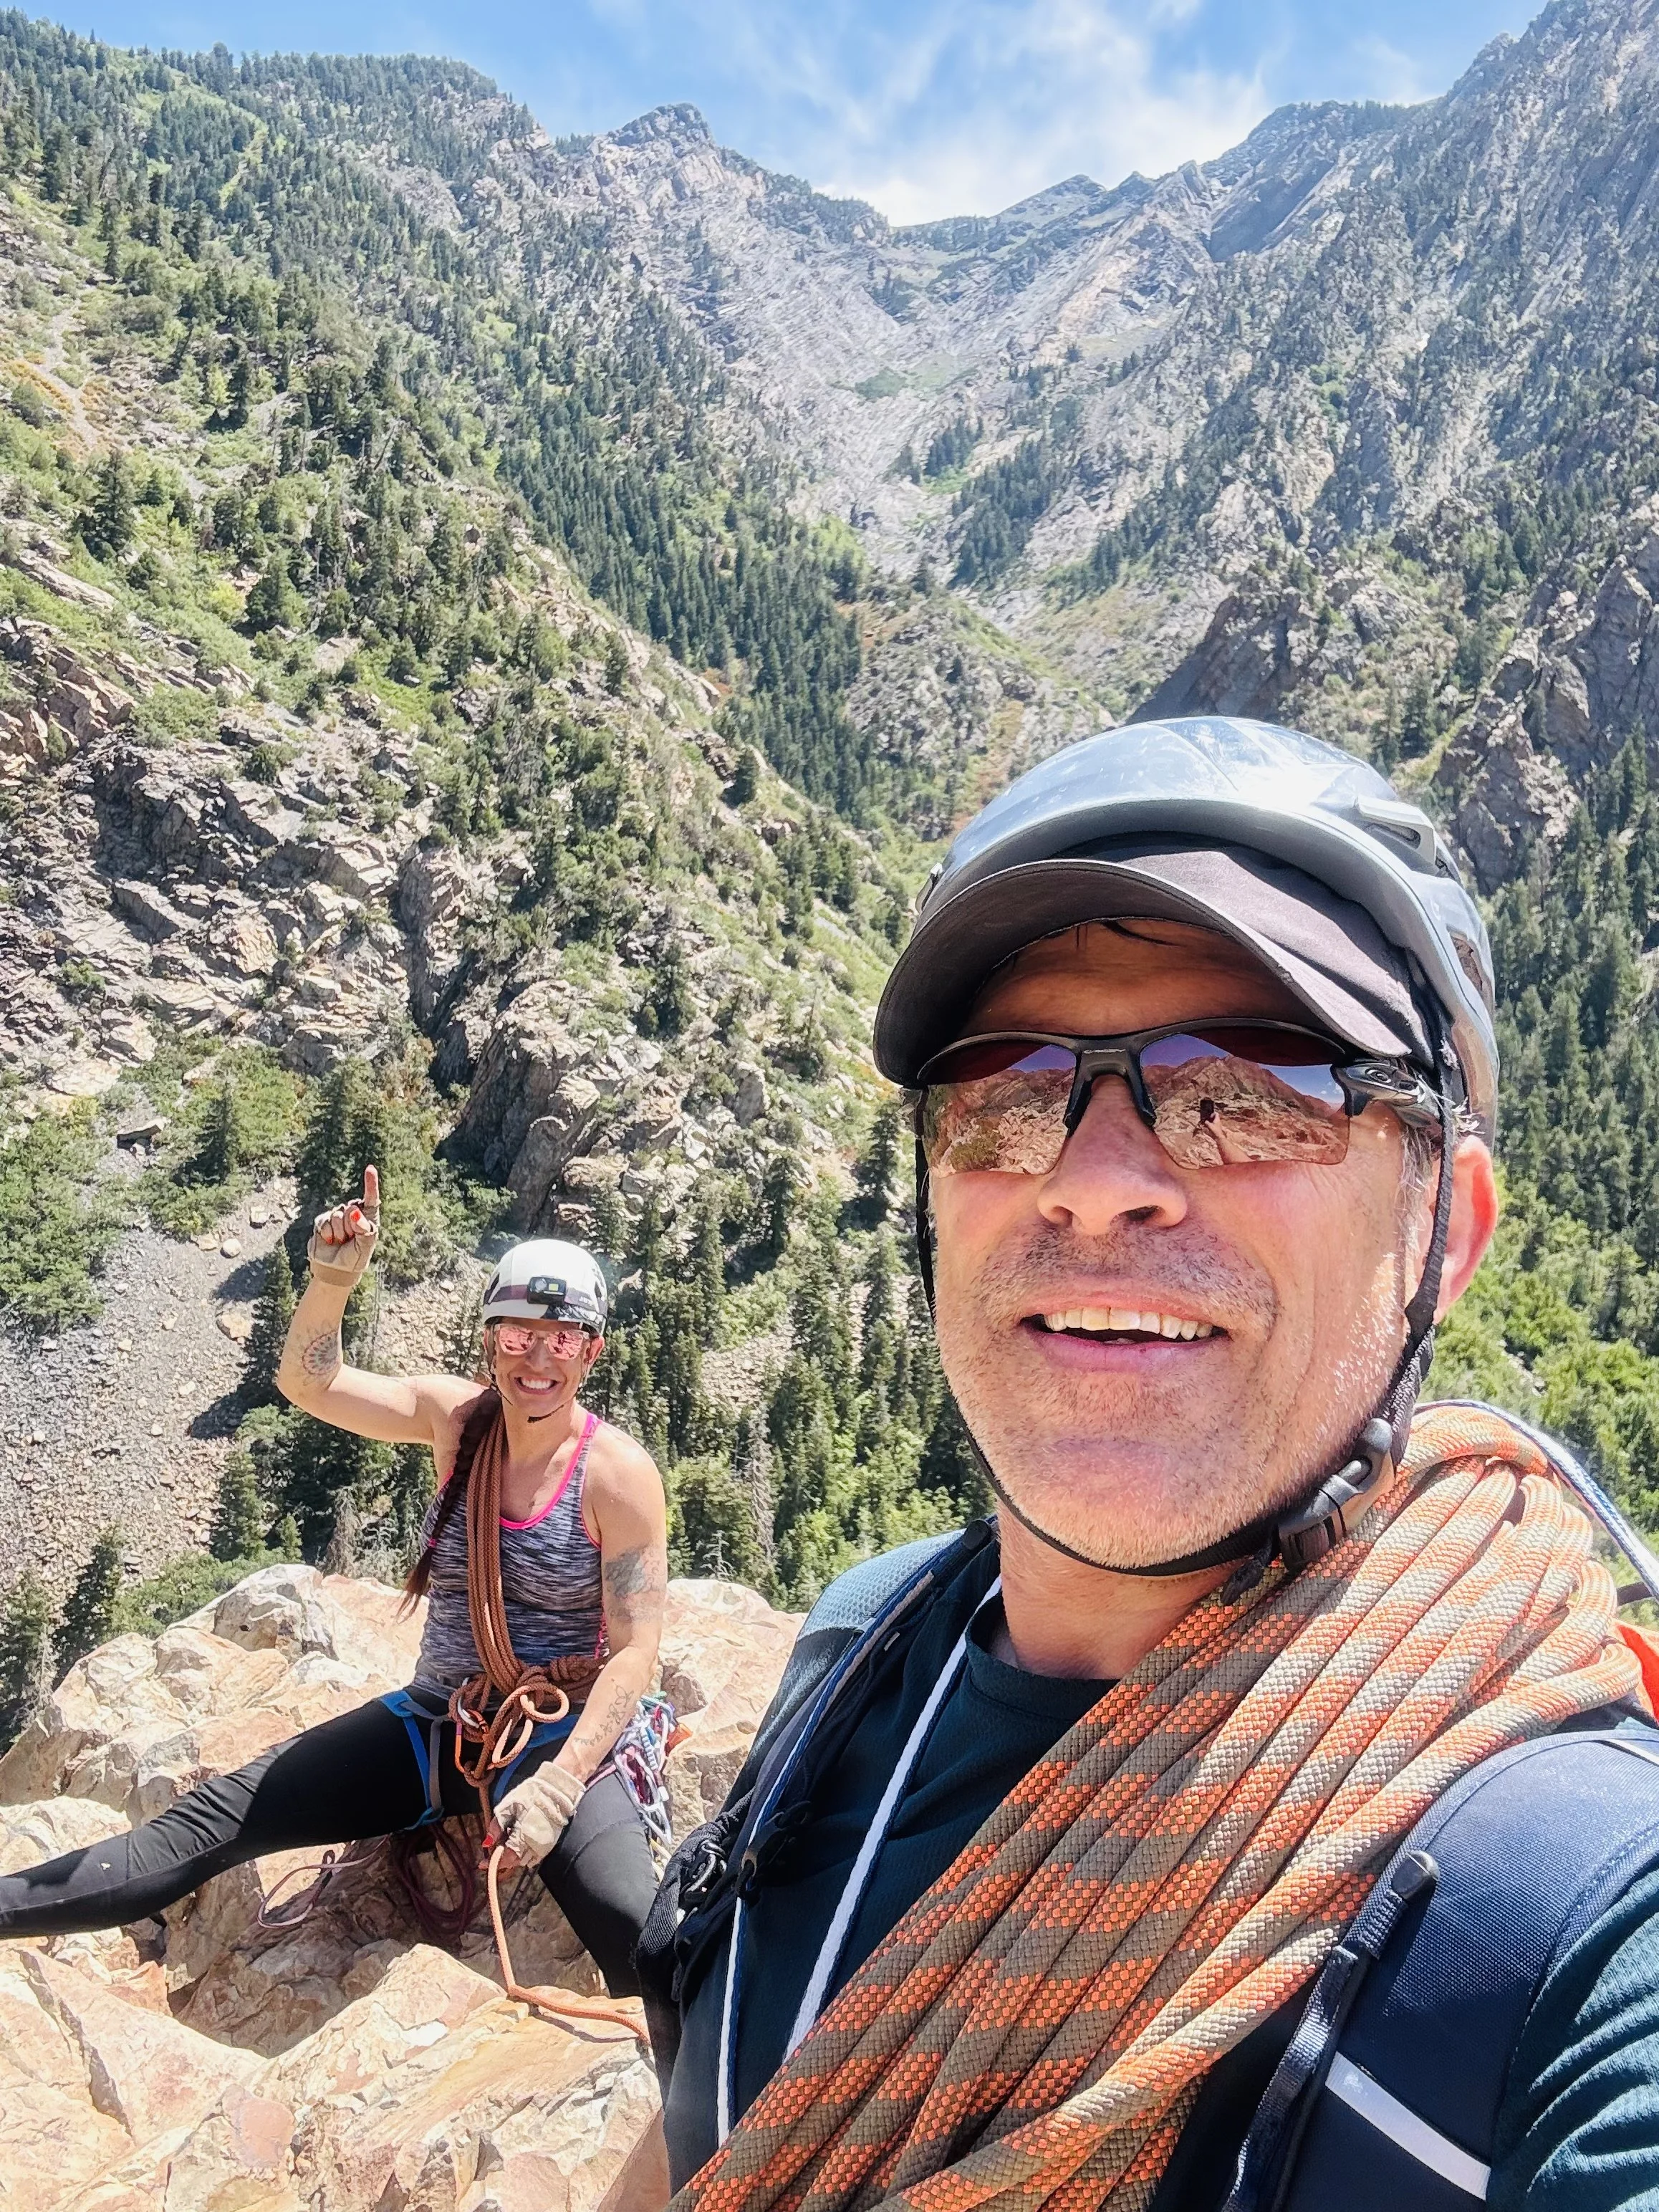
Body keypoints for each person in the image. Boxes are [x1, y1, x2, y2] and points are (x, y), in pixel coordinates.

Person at [638, 718, 1659, 2212]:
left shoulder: (1583, 1913)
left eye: (1248, 1087)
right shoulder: (862, 1648)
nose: (1096, 1178)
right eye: (1002, 1092)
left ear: (1446, 1229)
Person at [0, 1189, 668, 1998]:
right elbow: (310, 1382)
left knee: (635, 1931)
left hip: (553, 1739)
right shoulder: (456, 1421)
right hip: (439, 1720)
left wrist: (563, 1783)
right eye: (518, 1335)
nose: (538, 1359)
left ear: (591, 1352)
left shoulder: (618, 1477)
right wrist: (331, 1281)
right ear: (490, 1340)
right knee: (213, 1823)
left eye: (562, 1338)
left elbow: (635, 1653)